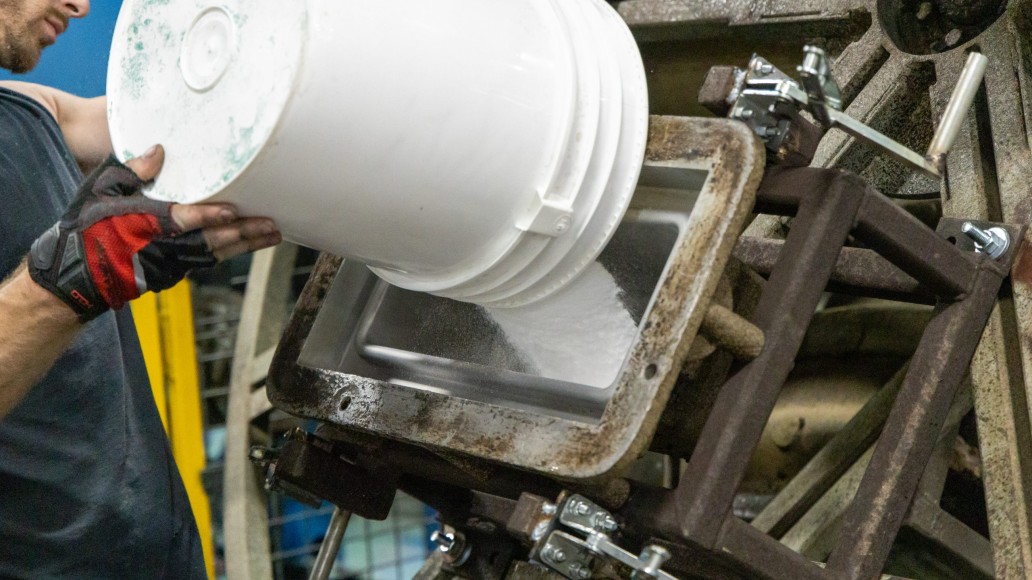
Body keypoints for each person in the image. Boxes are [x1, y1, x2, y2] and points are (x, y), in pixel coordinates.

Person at [0, 0, 282, 577]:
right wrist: (68, 283)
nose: (80, 5)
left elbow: (174, 112)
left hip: (154, 552)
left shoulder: (28, 108)